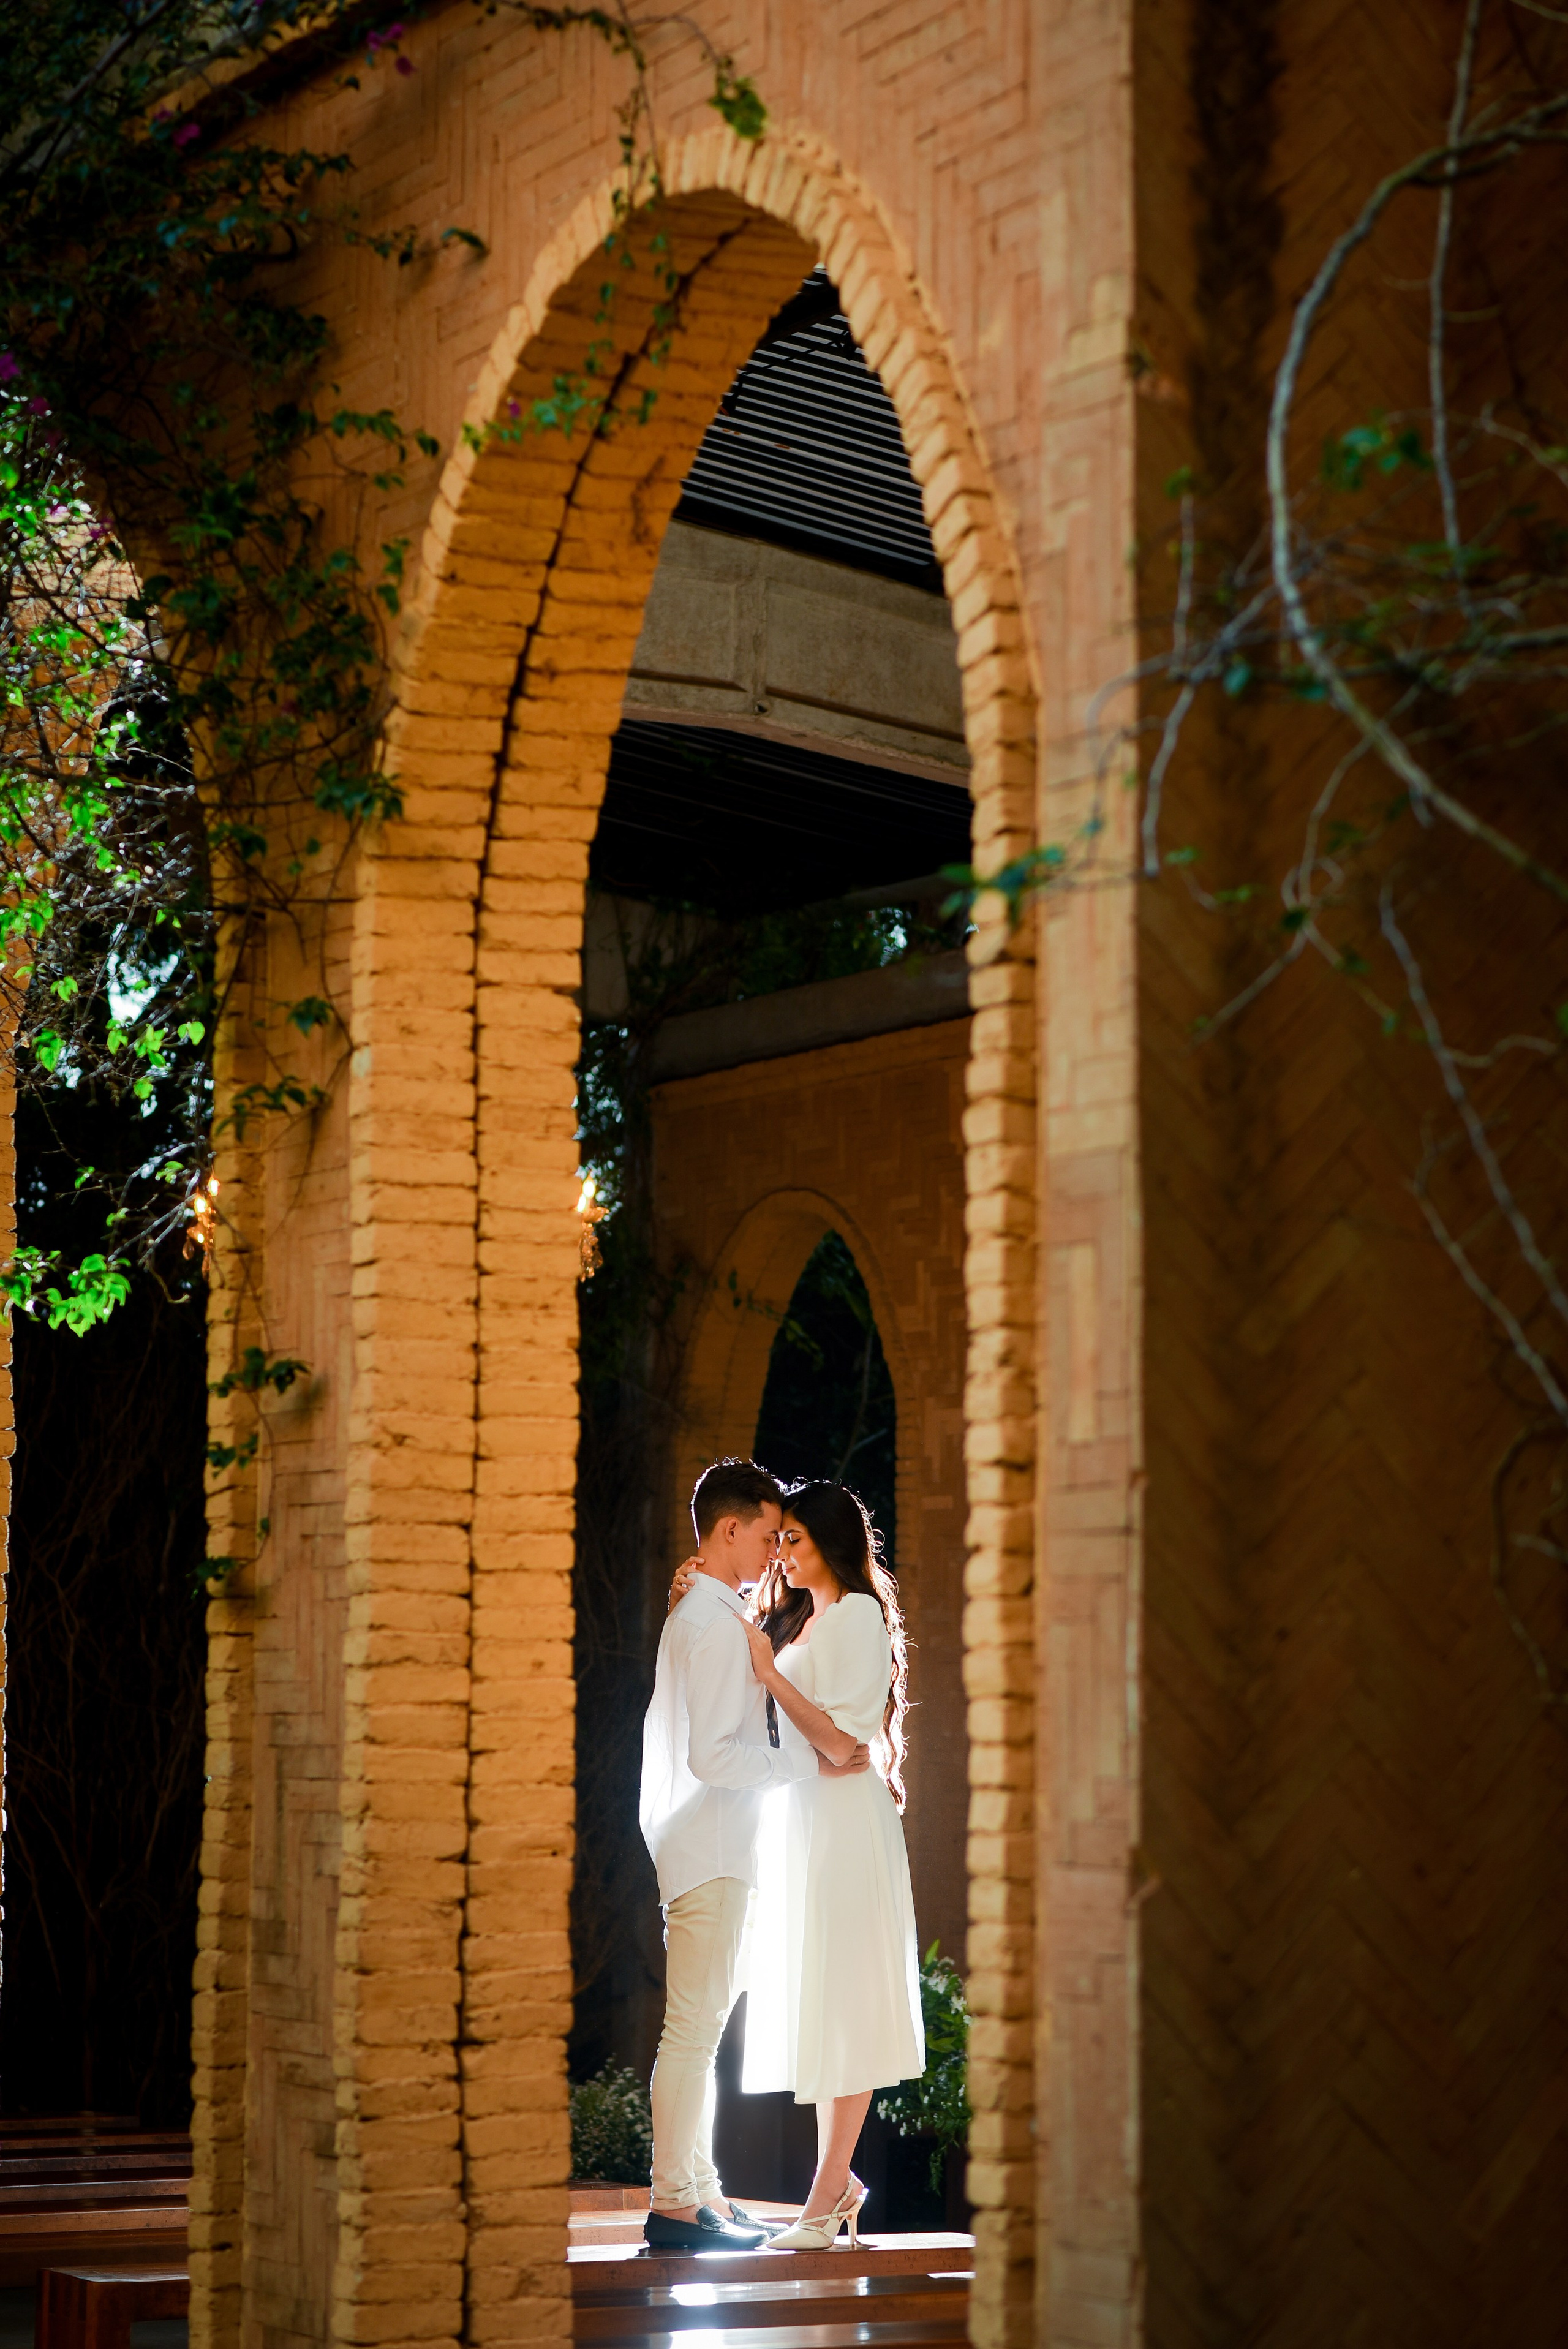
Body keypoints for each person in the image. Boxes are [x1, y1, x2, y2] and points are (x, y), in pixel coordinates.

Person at [668, 1480, 924, 2251]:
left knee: (846, 2003)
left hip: (846, 1826)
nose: (784, 1552)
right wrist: (705, 1590)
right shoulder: (802, 1619)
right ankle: (835, 2185)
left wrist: (771, 1671)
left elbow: (843, 1746)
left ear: (834, 1547)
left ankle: (823, 2196)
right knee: (822, 2005)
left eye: (799, 1541)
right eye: (782, 1539)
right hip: (807, 1820)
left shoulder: (857, 1616)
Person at [639, 1457, 872, 2252]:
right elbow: (712, 1755)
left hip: (717, 1843)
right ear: (729, 1529)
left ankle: (701, 2192)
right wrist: (807, 1764)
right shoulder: (707, 1621)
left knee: (699, 2031)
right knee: (692, 2033)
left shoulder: (713, 1610)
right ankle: (675, 2201)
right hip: (708, 1844)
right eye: (769, 1533)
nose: (777, 1548)